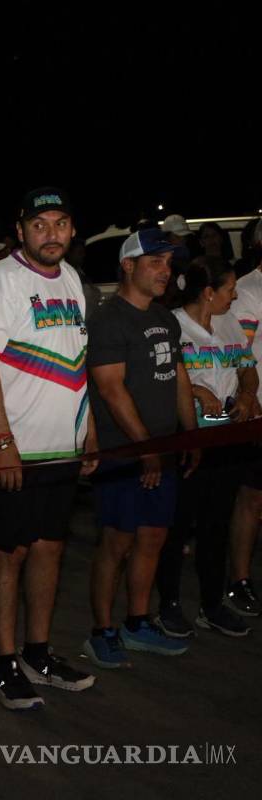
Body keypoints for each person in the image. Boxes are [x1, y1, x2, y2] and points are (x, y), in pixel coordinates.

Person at [0, 187, 98, 711]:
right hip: (12, 448)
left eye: (60, 223)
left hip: (60, 447)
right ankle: (3, 664)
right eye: (39, 225)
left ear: (72, 229)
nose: (51, 234)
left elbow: (76, 359)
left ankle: (38, 654)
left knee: (49, 547)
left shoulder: (72, 280)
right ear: (21, 230)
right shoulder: (1, 278)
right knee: (7, 553)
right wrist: (3, 442)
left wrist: (87, 429)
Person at [81, 229, 197, 669]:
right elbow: (111, 390)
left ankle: (137, 621)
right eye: (155, 262)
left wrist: (190, 435)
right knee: (117, 542)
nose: (165, 271)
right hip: (123, 455)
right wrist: (146, 449)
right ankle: (102, 631)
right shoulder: (109, 320)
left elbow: (179, 377)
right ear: (128, 266)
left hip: (161, 450)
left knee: (153, 537)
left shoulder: (165, 318)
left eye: (169, 263)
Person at [156, 256, 259, 637]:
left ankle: (212, 604)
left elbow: (247, 367)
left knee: (216, 524)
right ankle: (168, 604)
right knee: (178, 525)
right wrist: (195, 389)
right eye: (230, 289)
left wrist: (248, 394)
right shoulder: (171, 327)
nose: (235, 296)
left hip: (227, 439)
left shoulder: (228, 322)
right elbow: (162, 378)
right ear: (208, 292)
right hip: (189, 440)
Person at [225, 228, 262, 618]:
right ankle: (239, 580)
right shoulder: (249, 290)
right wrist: (252, 400)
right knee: (252, 499)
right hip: (259, 415)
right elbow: (241, 355)